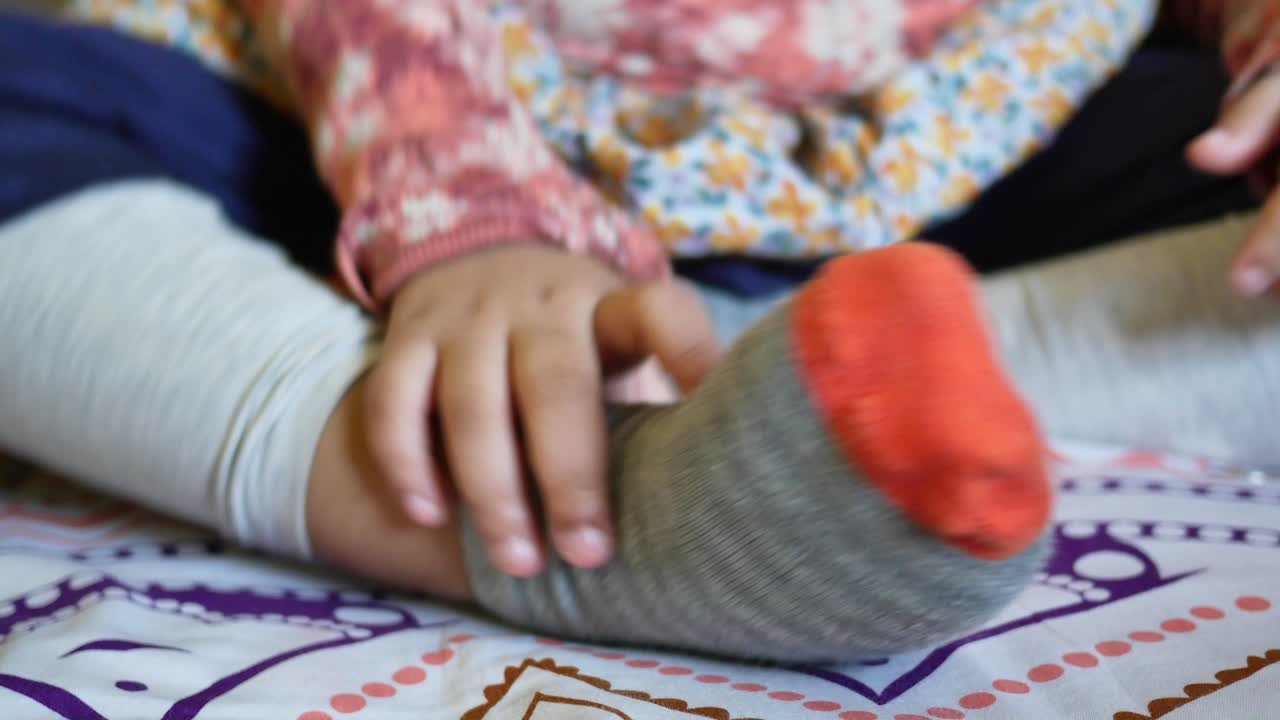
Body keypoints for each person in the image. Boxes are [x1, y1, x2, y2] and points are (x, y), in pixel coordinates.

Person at [2, 0, 1280, 661]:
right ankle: (565, 516)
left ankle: (786, 360)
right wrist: (467, 201)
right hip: (386, 115)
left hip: (935, 124)